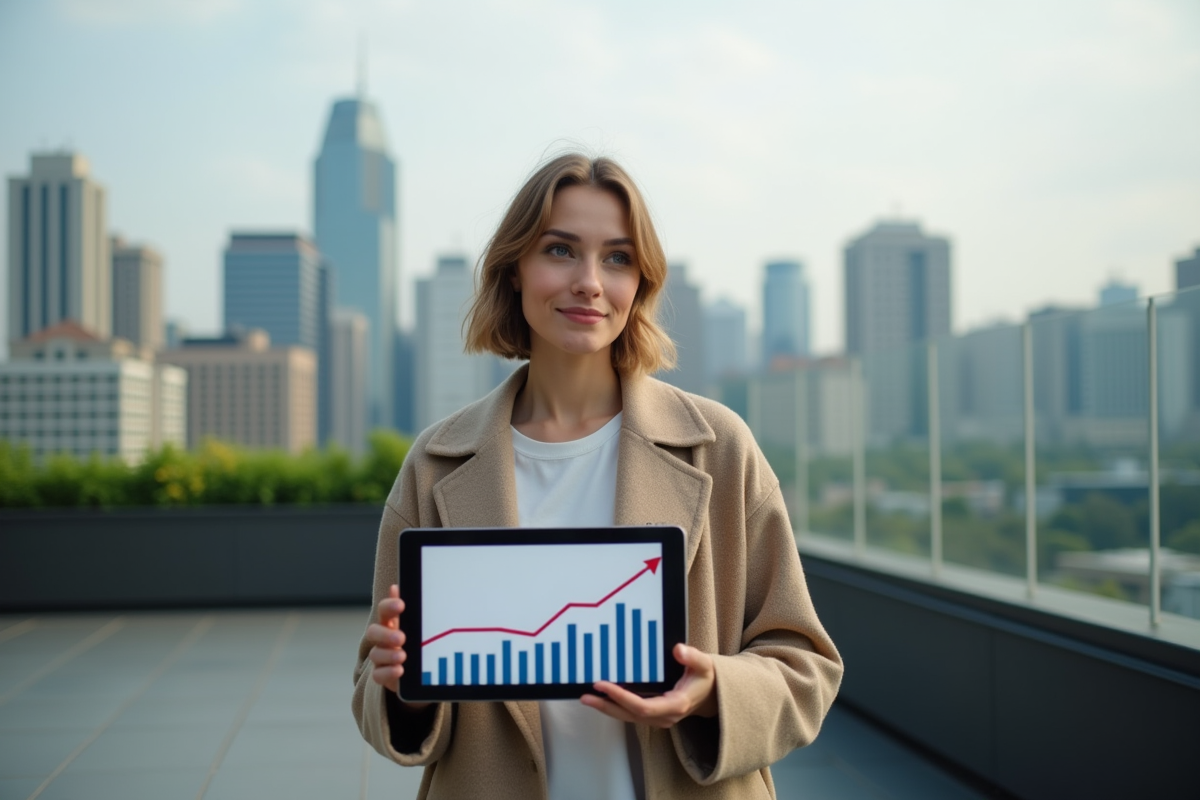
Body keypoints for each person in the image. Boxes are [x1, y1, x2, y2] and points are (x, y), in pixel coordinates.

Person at [352, 153, 843, 799]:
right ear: (515, 269)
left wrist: (711, 693)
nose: (588, 282)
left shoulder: (720, 447)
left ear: (640, 282)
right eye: (560, 250)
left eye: (617, 258)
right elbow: (375, 691)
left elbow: (806, 667)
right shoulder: (436, 461)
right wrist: (403, 688)